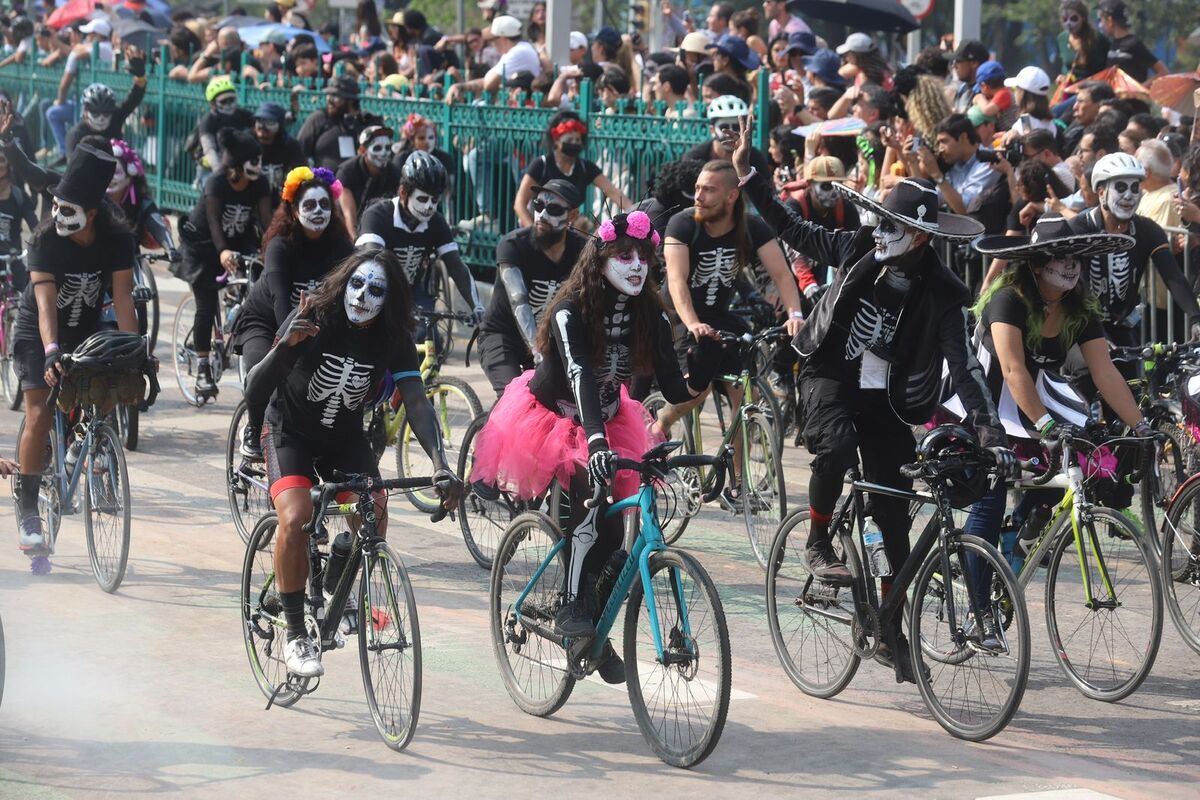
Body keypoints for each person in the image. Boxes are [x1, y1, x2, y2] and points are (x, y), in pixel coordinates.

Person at [731, 116, 1013, 681]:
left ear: (923, 238)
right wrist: (751, 175)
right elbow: (789, 227)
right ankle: (816, 538)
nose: (880, 233)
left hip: (888, 399)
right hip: (830, 373)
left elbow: (964, 369)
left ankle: (887, 626)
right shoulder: (855, 245)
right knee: (833, 452)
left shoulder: (941, 295)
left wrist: (990, 433)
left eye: (895, 227)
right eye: (879, 222)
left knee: (894, 516)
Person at [469, 209, 717, 678]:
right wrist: (596, 440)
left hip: (610, 416)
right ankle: (569, 606)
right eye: (624, 256)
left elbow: (676, 388)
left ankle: (595, 632)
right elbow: (580, 374)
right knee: (589, 496)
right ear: (600, 259)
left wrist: (706, 367)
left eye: (643, 256)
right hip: (554, 417)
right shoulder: (570, 309)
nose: (636, 266)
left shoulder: (650, 314)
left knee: (616, 534)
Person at [243, 248, 462, 677]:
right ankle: (295, 634)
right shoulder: (313, 315)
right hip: (290, 431)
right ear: (344, 284)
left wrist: (440, 463)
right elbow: (254, 389)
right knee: (297, 514)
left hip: (343, 438)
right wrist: (286, 347)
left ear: (390, 298)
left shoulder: (393, 336)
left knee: (375, 510)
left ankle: (334, 591)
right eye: (356, 285)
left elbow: (416, 401)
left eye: (375, 290)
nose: (362, 296)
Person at [959, 214, 1148, 641]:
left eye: (1076, 258)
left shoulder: (1078, 309)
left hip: (1038, 401)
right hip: (984, 405)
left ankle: (1022, 537)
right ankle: (978, 611)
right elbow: (1011, 369)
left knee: (1072, 473)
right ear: (1036, 263)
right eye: (1059, 257)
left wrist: (1141, 427)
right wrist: (1045, 424)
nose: (1071, 265)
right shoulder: (1006, 299)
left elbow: (1105, 374)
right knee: (988, 504)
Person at [11, 140, 138, 552]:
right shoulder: (45, 240)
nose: (57, 215)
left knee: (111, 385)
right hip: (38, 329)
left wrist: (134, 350)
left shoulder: (117, 239)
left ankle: (83, 448)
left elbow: (122, 298)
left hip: (85, 328)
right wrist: (50, 351)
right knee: (40, 412)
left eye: (68, 209)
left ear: (93, 214)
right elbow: (45, 304)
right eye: (55, 206)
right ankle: (29, 510)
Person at [652, 160, 805, 500]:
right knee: (698, 391)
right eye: (697, 189)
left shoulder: (751, 227)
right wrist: (692, 324)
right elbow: (676, 281)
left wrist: (794, 313)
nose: (699, 196)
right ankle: (662, 421)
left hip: (720, 314)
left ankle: (737, 482)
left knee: (742, 390)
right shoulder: (682, 224)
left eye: (708, 190)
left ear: (732, 195)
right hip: (679, 314)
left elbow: (782, 275)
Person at [234, 166, 353, 458]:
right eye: (309, 205)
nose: (317, 211)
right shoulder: (280, 246)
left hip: (313, 322)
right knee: (263, 368)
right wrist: (289, 345)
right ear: (295, 210)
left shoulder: (340, 246)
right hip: (263, 321)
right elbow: (279, 302)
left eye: (324, 204)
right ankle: (253, 425)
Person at [174, 129, 272, 401]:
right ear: (237, 165)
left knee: (255, 288)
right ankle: (203, 366)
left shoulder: (260, 183)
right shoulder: (216, 183)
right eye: (253, 161)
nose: (258, 167)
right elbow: (214, 222)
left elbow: (266, 220)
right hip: (204, 245)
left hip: (239, 242)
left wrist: (273, 247)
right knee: (206, 306)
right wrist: (222, 251)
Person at [1068, 152, 1200, 351]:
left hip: (1122, 328)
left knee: (1134, 381)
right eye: (1120, 187)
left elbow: (1173, 276)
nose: (1129, 195)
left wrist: (1195, 318)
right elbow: (1076, 287)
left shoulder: (1147, 229)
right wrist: (1098, 335)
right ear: (1101, 192)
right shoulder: (1078, 229)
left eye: (1135, 188)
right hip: (1080, 325)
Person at [356, 151, 485, 343]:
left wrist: (477, 307)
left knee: (431, 341)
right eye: (423, 199)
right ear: (403, 193)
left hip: (413, 293)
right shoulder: (378, 215)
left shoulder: (436, 222)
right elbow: (373, 261)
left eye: (435, 201)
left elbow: (456, 266)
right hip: (372, 290)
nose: (429, 207)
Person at [479, 179, 588, 397]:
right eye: (538, 206)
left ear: (573, 215)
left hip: (551, 341)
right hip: (503, 337)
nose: (542, 216)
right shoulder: (513, 245)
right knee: (513, 398)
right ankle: (487, 430)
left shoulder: (581, 250)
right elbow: (519, 300)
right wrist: (537, 351)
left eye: (554, 209)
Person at [513, 111, 631, 226]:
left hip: (566, 229)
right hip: (539, 225)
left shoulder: (585, 168)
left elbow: (613, 192)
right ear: (557, 141)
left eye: (577, 140)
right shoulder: (541, 165)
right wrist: (532, 230)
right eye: (569, 140)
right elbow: (519, 203)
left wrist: (634, 212)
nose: (574, 143)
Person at [443, 15, 542, 104]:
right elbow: (487, 80)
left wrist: (463, 86)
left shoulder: (517, 52)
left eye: (492, 40)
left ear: (502, 39)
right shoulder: (521, 48)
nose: (492, 44)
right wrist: (461, 87)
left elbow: (488, 84)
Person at [297, 76, 385, 171]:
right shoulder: (319, 118)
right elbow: (299, 150)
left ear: (350, 101)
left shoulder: (364, 122)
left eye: (335, 97)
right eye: (328, 95)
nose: (329, 100)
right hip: (323, 181)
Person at [65, 59, 147, 153]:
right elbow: (73, 166)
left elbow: (133, 100)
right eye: (96, 114)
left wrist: (140, 77)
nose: (101, 119)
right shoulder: (75, 135)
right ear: (85, 113)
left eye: (106, 113)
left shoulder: (115, 118)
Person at [336, 124, 401, 235]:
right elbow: (348, 213)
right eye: (377, 148)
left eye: (388, 148)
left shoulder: (393, 172)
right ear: (362, 150)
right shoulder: (347, 172)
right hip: (342, 228)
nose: (384, 153)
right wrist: (355, 242)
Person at [687, 95, 771, 178]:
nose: (730, 133)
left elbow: (766, 188)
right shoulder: (696, 157)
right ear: (712, 130)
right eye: (724, 127)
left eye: (736, 127)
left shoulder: (755, 157)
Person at [195, 77, 256, 178]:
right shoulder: (208, 121)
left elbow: (259, 123)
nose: (229, 104)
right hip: (211, 169)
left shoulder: (241, 114)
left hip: (238, 166)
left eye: (231, 100)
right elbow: (210, 150)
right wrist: (220, 173)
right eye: (223, 101)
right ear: (213, 104)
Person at [1097, 0, 1166, 82]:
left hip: (1132, 95)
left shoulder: (1134, 44)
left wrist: (1141, 88)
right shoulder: (1114, 43)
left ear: (1110, 20)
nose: (1100, 25)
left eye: (1101, 20)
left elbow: (1163, 72)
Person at [0, 147, 37, 292]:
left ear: (8, 164)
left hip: (13, 257)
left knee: (25, 292)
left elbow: (35, 225)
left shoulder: (19, 196)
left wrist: (42, 241)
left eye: (2, 160)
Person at [252, 102, 306, 202]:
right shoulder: (247, 143)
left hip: (280, 197)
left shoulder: (289, 145)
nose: (262, 127)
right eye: (259, 121)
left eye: (269, 123)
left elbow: (301, 172)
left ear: (280, 125)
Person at [950, 39, 990, 113]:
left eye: (958, 61)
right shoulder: (962, 88)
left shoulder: (988, 91)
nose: (954, 66)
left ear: (974, 63)